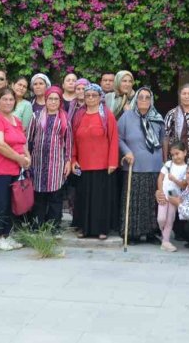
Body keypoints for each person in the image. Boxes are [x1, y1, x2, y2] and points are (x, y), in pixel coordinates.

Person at [71, 83, 119, 239]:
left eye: (94, 95)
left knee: (100, 198)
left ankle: (101, 230)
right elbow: (73, 140)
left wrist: (113, 162)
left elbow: (113, 139)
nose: (90, 98)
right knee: (83, 197)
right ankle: (84, 228)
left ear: (100, 97)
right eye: (88, 95)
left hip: (102, 164)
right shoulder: (79, 115)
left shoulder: (107, 115)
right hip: (83, 164)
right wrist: (73, 159)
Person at [0, 87, 29, 251]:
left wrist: (27, 157)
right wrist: (19, 159)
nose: (8, 102)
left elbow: (22, 142)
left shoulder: (16, 120)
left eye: (11, 99)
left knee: (10, 204)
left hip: (14, 170)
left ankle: (7, 235)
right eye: (4, 99)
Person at [118, 86, 163, 243]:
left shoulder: (158, 118)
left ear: (151, 100)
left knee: (151, 202)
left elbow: (163, 140)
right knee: (134, 202)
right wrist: (127, 152)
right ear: (136, 99)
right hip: (134, 165)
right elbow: (119, 137)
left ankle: (150, 233)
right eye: (141, 97)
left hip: (154, 165)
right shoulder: (127, 116)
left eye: (147, 97)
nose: (144, 100)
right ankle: (132, 233)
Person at [27, 86, 72, 233]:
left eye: (56, 99)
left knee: (55, 196)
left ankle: (54, 226)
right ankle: (37, 225)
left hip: (56, 163)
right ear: (45, 100)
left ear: (60, 101)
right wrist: (27, 158)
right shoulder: (37, 116)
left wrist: (68, 161)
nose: (53, 102)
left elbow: (69, 143)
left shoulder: (64, 119)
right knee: (38, 195)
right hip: (38, 163)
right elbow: (29, 139)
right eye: (50, 99)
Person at [156, 142, 188, 252]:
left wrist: (174, 179)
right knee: (161, 218)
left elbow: (184, 184)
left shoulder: (186, 168)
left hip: (174, 194)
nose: (175, 157)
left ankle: (165, 241)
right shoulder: (168, 164)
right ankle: (163, 232)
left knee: (170, 218)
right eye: (173, 154)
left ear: (184, 153)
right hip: (165, 192)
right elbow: (160, 178)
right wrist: (160, 191)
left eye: (177, 154)